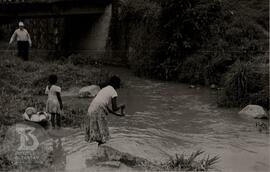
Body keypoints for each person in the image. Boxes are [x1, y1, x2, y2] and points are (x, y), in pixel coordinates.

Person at [85, 75, 126, 145]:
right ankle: (101, 152)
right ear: (116, 84)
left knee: (99, 134)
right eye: (119, 83)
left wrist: (119, 115)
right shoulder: (113, 92)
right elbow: (115, 108)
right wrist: (122, 106)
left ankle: (99, 151)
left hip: (91, 109)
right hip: (98, 109)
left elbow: (109, 110)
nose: (119, 85)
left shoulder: (105, 89)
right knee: (103, 135)